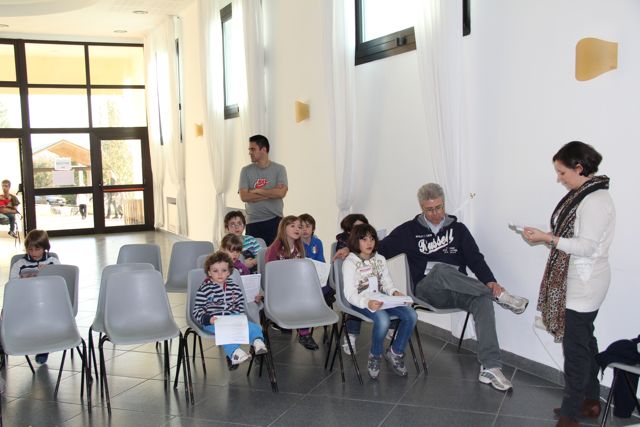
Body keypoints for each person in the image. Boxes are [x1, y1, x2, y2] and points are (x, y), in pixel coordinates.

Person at [378, 183, 529, 392]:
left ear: (444, 204)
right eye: (429, 209)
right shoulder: (409, 231)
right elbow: (379, 250)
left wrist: (490, 281)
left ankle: (490, 367)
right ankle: (500, 297)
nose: (435, 214)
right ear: (422, 208)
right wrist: (346, 246)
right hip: (426, 290)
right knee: (440, 270)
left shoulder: (458, 230)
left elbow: (475, 259)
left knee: (482, 301)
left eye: (439, 207)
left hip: (457, 290)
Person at [522, 141, 614, 427]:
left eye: (562, 172)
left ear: (579, 168)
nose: (558, 179)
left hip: (584, 284)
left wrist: (548, 238)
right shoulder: (584, 195)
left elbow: (586, 246)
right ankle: (590, 401)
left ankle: (570, 415)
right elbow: (573, 237)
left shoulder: (595, 201)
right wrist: (548, 236)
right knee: (585, 342)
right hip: (579, 280)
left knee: (575, 351)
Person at [342, 224, 417, 379]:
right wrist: (366, 303)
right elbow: (349, 294)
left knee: (411, 315)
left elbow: (387, 284)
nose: (369, 243)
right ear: (356, 241)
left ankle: (395, 352)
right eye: (364, 239)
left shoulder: (380, 259)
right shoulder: (350, 262)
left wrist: (394, 292)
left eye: (372, 239)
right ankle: (375, 356)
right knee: (383, 320)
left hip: (382, 299)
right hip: (361, 302)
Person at [192, 251, 268, 368]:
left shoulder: (234, 287)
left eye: (224, 270)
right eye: (215, 271)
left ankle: (257, 342)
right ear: (209, 272)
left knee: (254, 326)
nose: (220, 274)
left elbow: (239, 303)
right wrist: (208, 319)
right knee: (225, 332)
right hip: (213, 321)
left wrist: (239, 315)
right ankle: (234, 354)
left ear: (229, 272)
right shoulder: (205, 289)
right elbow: (197, 310)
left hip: (232, 318)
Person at [265, 215, 319, 350]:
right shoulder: (274, 249)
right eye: (292, 226)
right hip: (278, 289)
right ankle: (304, 333)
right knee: (301, 298)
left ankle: (304, 332)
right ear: (283, 228)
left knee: (309, 294)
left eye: (299, 227)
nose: (297, 229)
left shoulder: (299, 247)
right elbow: (270, 274)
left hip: (295, 287)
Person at [9, 229, 61, 365]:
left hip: (47, 300)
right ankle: (26, 341)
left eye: (37, 249)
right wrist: (23, 279)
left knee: (45, 315)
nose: (33, 253)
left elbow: (61, 281)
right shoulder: (20, 264)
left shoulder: (53, 261)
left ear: (45, 248)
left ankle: (43, 347)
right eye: (30, 249)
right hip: (27, 300)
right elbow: (12, 284)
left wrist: (47, 273)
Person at [238, 134, 288, 246]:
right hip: (253, 223)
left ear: (264, 150)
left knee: (275, 255)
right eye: (249, 149)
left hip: (275, 221)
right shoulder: (245, 171)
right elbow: (244, 196)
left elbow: (281, 193)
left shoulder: (279, 169)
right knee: (254, 256)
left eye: (253, 149)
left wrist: (258, 190)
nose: (250, 152)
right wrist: (272, 193)